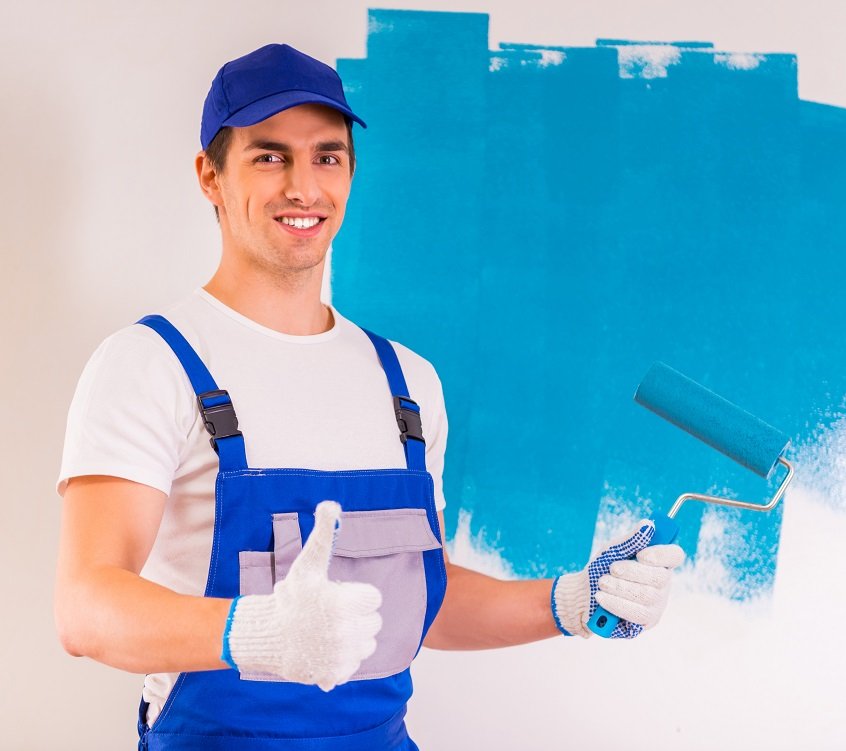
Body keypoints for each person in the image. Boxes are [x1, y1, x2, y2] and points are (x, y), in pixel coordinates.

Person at [54, 44, 685, 750]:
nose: (304, 187)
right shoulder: (150, 364)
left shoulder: (407, 383)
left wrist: (571, 600)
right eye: (270, 157)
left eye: (327, 157)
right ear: (211, 175)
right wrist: (252, 631)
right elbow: (85, 606)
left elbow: (424, 601)